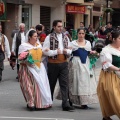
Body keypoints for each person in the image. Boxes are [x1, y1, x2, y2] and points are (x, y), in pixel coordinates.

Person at [43, 20, 74, 112]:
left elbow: (70, 49)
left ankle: (65, 104)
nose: (61, 28)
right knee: (51, 84)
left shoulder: (66, 37)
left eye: (61, 26)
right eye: (59, 26)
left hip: (64, 62)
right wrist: (55, 52)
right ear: (54, 27)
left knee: (64, 84)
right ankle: (49, 101)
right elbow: (44, 51)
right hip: (53, 63)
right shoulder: (49, 37)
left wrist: (67, 51)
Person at [18, 30, 52, 111]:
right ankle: (31, 103)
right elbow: (20, 58)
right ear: (29, 37)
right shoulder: (23, 46)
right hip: (27, 68)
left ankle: (39, 103)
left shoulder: (38, 45)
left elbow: (41, 56)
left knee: (37, 86)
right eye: (34, 36)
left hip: (37, 68)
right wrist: (26, 60)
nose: (36, 38)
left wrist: (44, 52)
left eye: (37, 36)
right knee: (28, 86)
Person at [68, 28, 98, 109]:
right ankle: (71, 100)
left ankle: (84, 102)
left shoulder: (88, 43)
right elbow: (68, 53)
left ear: (85, 34)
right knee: (75, 81)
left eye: (82, 33)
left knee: (84, 81)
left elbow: (88, 52)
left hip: (85, 64)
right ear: (77, 34)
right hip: (75, 63)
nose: (81, 35)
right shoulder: (72, 43)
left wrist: (93, 54)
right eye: (79, 33)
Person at [97, 30, 120, 120]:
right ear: (114, 39)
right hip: (110, 76)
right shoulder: (106, 50)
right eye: (119, 38)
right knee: (115, 98)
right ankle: (106, 117)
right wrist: (118, 69)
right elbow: (107, 65)